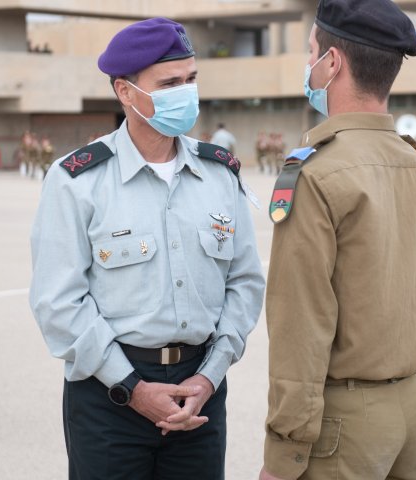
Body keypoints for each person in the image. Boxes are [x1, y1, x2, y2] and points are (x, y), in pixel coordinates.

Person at [29, 17, 265, 480]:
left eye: (192, 79)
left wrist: (210, 375)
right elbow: (58, 302)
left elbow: (245, 282)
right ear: (126, 92)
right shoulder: (77, 181)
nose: (186, 92)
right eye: (170, 83)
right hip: (109, 398)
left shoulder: (220, 175)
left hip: (200, 394)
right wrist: (133, 388)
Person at [260, 1, 416, 479]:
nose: (308, 65)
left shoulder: (314, 175)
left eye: (312, 53)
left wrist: (283, 453)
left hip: (342, 425)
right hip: (410, 411)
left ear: (332, 63)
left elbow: (300, 326)